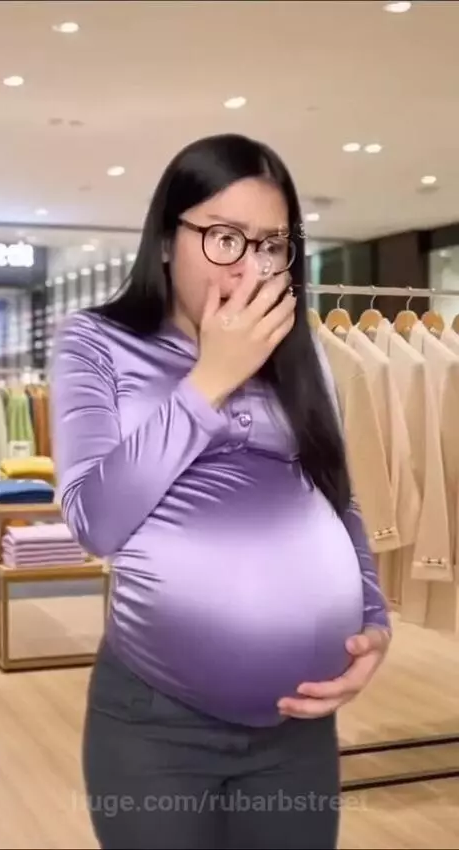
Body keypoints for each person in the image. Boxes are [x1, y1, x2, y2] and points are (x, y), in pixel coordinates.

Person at [50, 133, 391, 850]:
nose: (250, 265)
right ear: (166, 240)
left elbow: (338, 497)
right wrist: (210, 377)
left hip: (297, 724)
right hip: (157, 725)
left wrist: (373, 619)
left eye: (271, 244)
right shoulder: (96, 342)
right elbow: (93, 521)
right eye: (225, 237)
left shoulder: (299, 350)